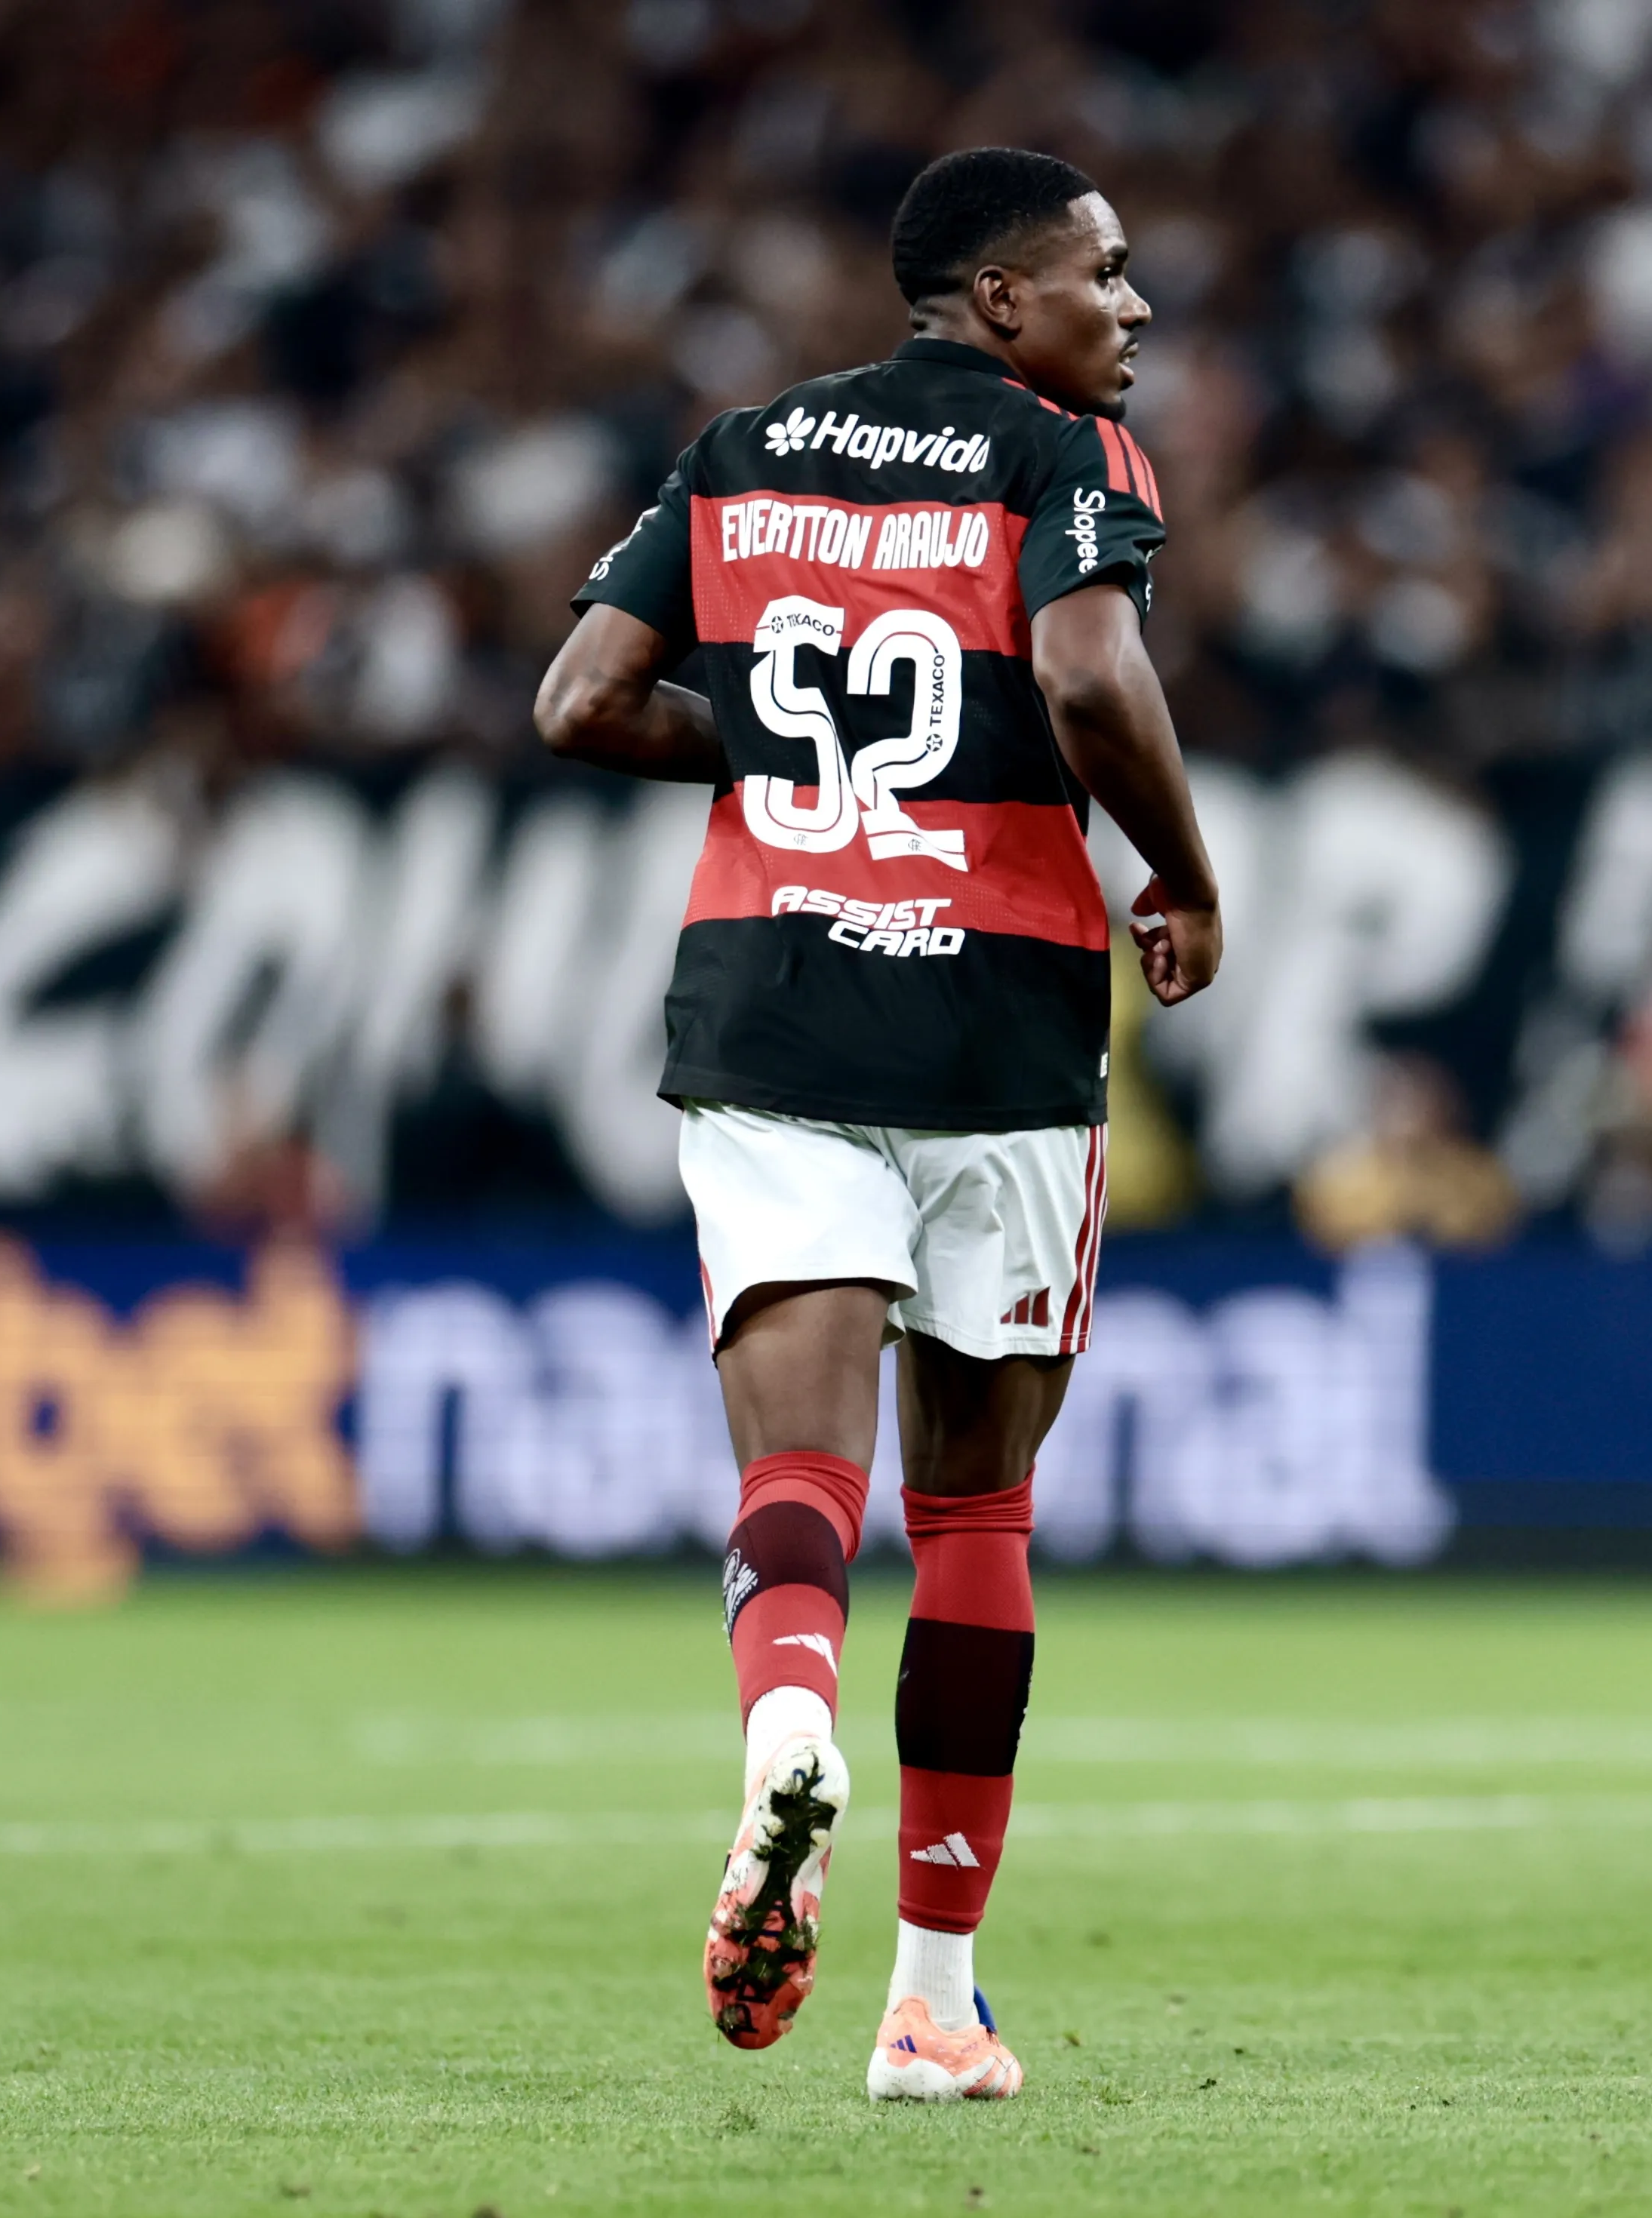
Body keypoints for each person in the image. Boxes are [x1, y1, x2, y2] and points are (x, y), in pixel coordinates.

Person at [531, 147, 1222, 2103]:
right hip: (996, 1019)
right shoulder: (1063, 457)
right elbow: (1090, 676)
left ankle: (783, 1736)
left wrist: (769, 740)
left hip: (775, 991)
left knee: (803, 1469)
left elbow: (583, 702)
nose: (1135, 308)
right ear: (1004, 304)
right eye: (1107, 272)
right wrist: (1182, 871)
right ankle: (931, 2000)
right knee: (977, 1507)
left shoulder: (742, 447)